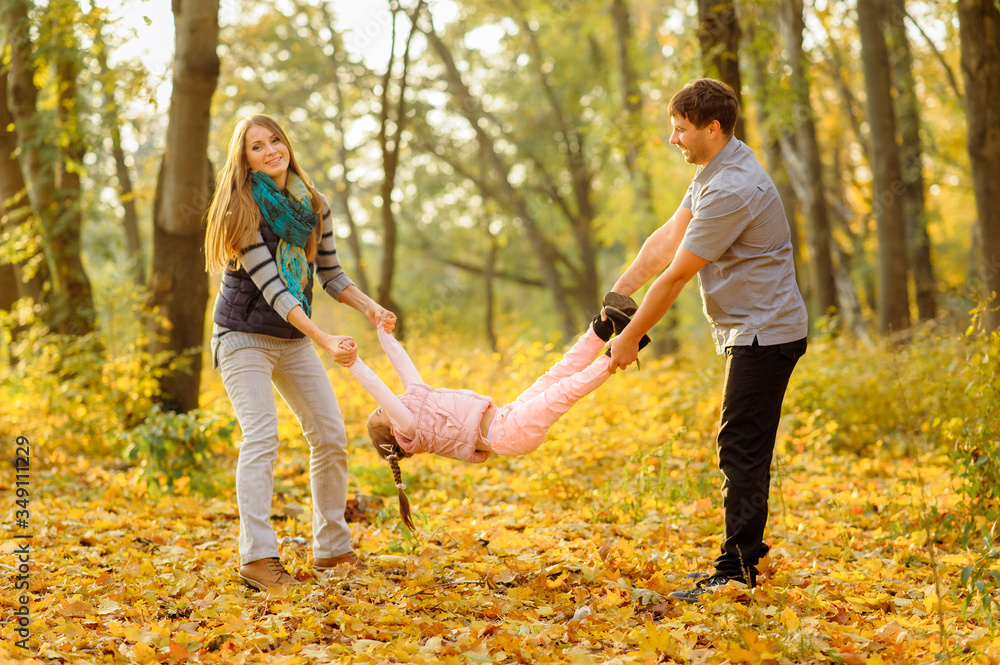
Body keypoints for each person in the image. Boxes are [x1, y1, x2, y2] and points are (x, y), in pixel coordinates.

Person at [604, 79, 808, 603]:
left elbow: (675, 275)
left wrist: (630, 337)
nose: (673, 139)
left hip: (767, 333)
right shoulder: (715, 170)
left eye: (681, 129)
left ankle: (736, 571)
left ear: (711, 129)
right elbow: (667, 239)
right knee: (741, 443)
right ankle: (736, 565)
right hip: (752, 328)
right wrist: (619, 294)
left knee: (740, 445)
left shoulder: (732, 187)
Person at [204, 114, 396, 591]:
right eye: (256, 146)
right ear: (243, 159)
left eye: (275, 140)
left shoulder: (313, 205)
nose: (271, 150)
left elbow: (329, 275)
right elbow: (275, 291)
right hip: (242, 335)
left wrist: (371, 308)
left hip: (290, 339)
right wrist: (325, 339)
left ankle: (332, 549)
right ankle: (257, 557)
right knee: (262, 437)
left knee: (330, 435)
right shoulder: (240, 209)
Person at [348, 309, 649, 530]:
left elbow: (402, 364)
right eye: (378, 412)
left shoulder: (418, 398)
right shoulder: (410, 426)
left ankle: (600, 329)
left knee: (554, 376)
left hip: (508, 416)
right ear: (391, 430)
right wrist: (354, 363)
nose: (381, 406)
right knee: (563, 390)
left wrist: (383, 334)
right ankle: (616, 355)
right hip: (509, 432)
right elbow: (379, 388)